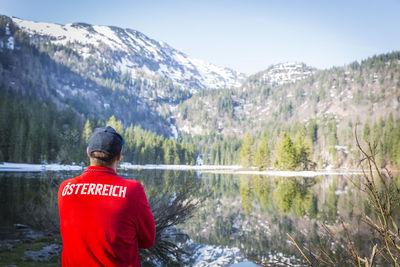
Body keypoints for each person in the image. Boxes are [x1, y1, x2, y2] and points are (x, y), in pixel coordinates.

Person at [58, 126, 155, 266]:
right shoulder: (132, 191)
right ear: (119, 156)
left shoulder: (65, 188)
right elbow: (148, 240)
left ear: (88, 152)